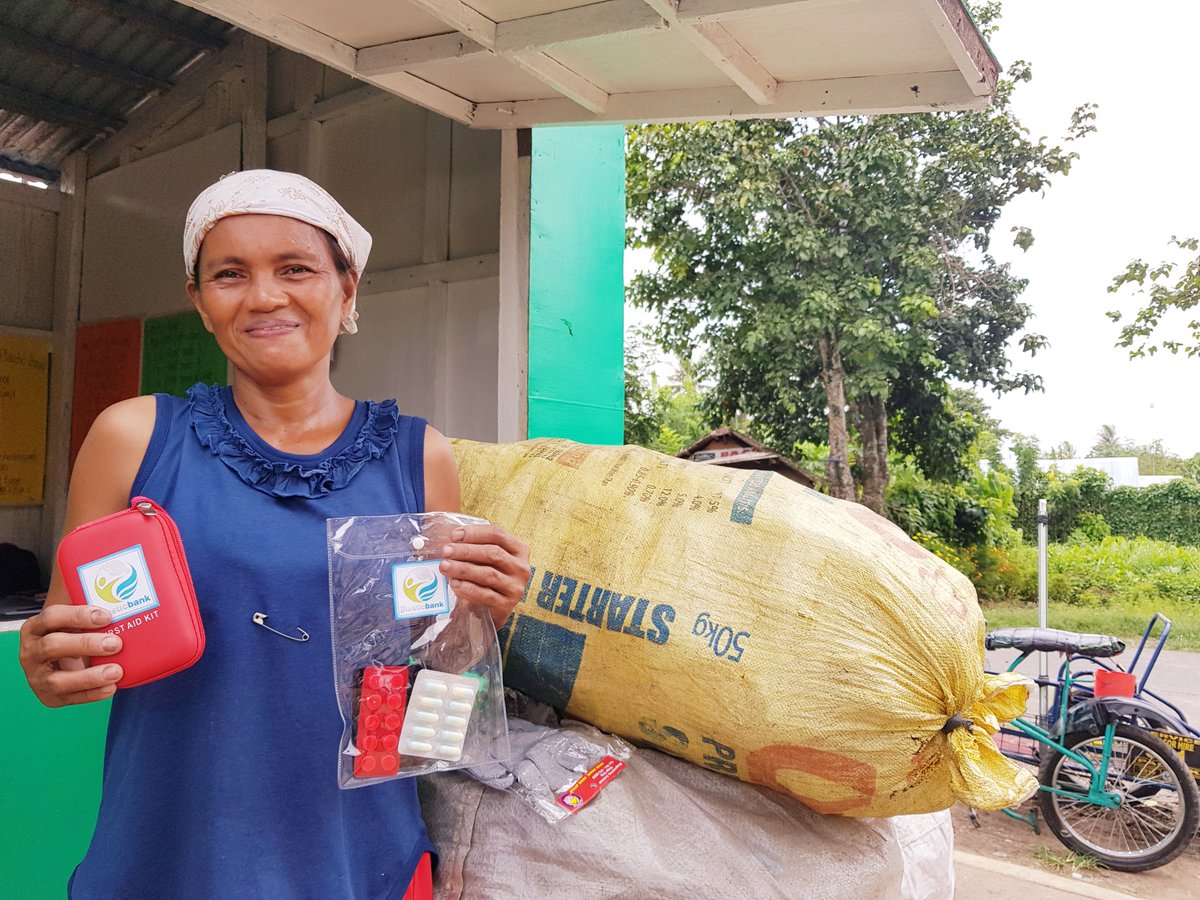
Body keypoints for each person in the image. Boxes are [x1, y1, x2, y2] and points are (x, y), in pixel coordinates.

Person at [18, 170, 532, 899]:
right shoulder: (134, 438)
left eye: (296, 268)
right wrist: (49, 663)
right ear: (199, 301)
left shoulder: (419, 457)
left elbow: (437, 685)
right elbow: (73, 662)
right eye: (230, 274)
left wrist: (487, 611)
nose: (264, 296)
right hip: (172, 854)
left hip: (357, 859)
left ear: (347, 289)